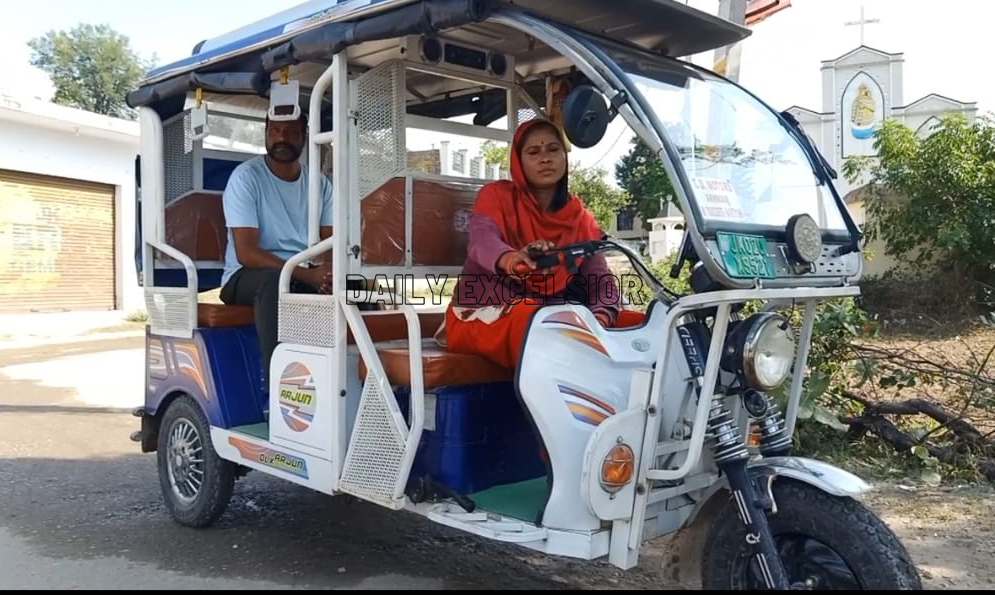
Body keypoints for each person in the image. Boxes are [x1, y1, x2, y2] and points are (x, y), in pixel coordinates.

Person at [442, 118, 623, 370]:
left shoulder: (581, 218)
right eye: (533, 152)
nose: (545, 158)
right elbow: (482, 241)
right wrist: (512, 259)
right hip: (484, 313)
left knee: (634, 324)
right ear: (519, 161)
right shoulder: (495, 196)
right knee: (540, 321)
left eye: (553, 149)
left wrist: (601, 318)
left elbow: (600, 281)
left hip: (554, 314)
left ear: (564, 157)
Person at [219, 109, 333, 388]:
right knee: (273, 284)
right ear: (266, 134)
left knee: (358, 287)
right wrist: (308, 276)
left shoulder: (319, 183)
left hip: (300, 273)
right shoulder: (246, 178)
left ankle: (363, 382)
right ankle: (279, 389)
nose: (282, 138)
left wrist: (328, 274)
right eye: (275, 131)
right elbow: (247, 253)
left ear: (305, 136)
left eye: (292, 132)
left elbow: (332, 243)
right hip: (246, 276)